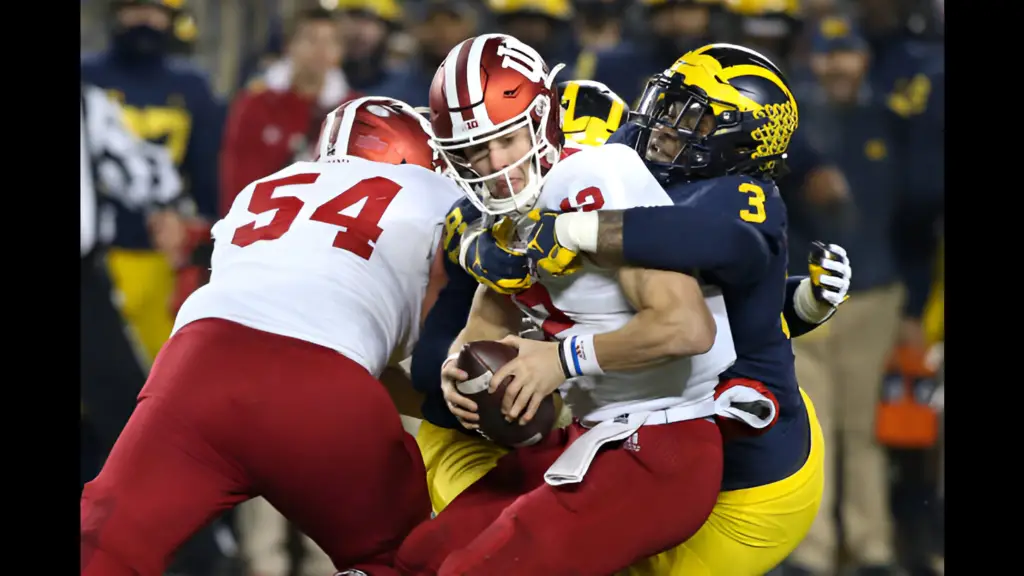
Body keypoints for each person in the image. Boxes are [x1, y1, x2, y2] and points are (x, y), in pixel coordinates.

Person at [429, 43, 854, 575]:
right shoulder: (635, 158)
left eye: (691, 116)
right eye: (666, 104)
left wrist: (573, 231)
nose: (663, 125)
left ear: (743, 136)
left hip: (747, 470)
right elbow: (498, 208)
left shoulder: (741, 198)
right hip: (640, 426)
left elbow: (705, 257)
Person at [80, 97, 462, 576]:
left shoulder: (265, 186)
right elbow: (347, 346)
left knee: (107, 540)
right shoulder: (432, 192)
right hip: (324, 388)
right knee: (411, 558)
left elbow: (282, 319)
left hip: (196, 366)